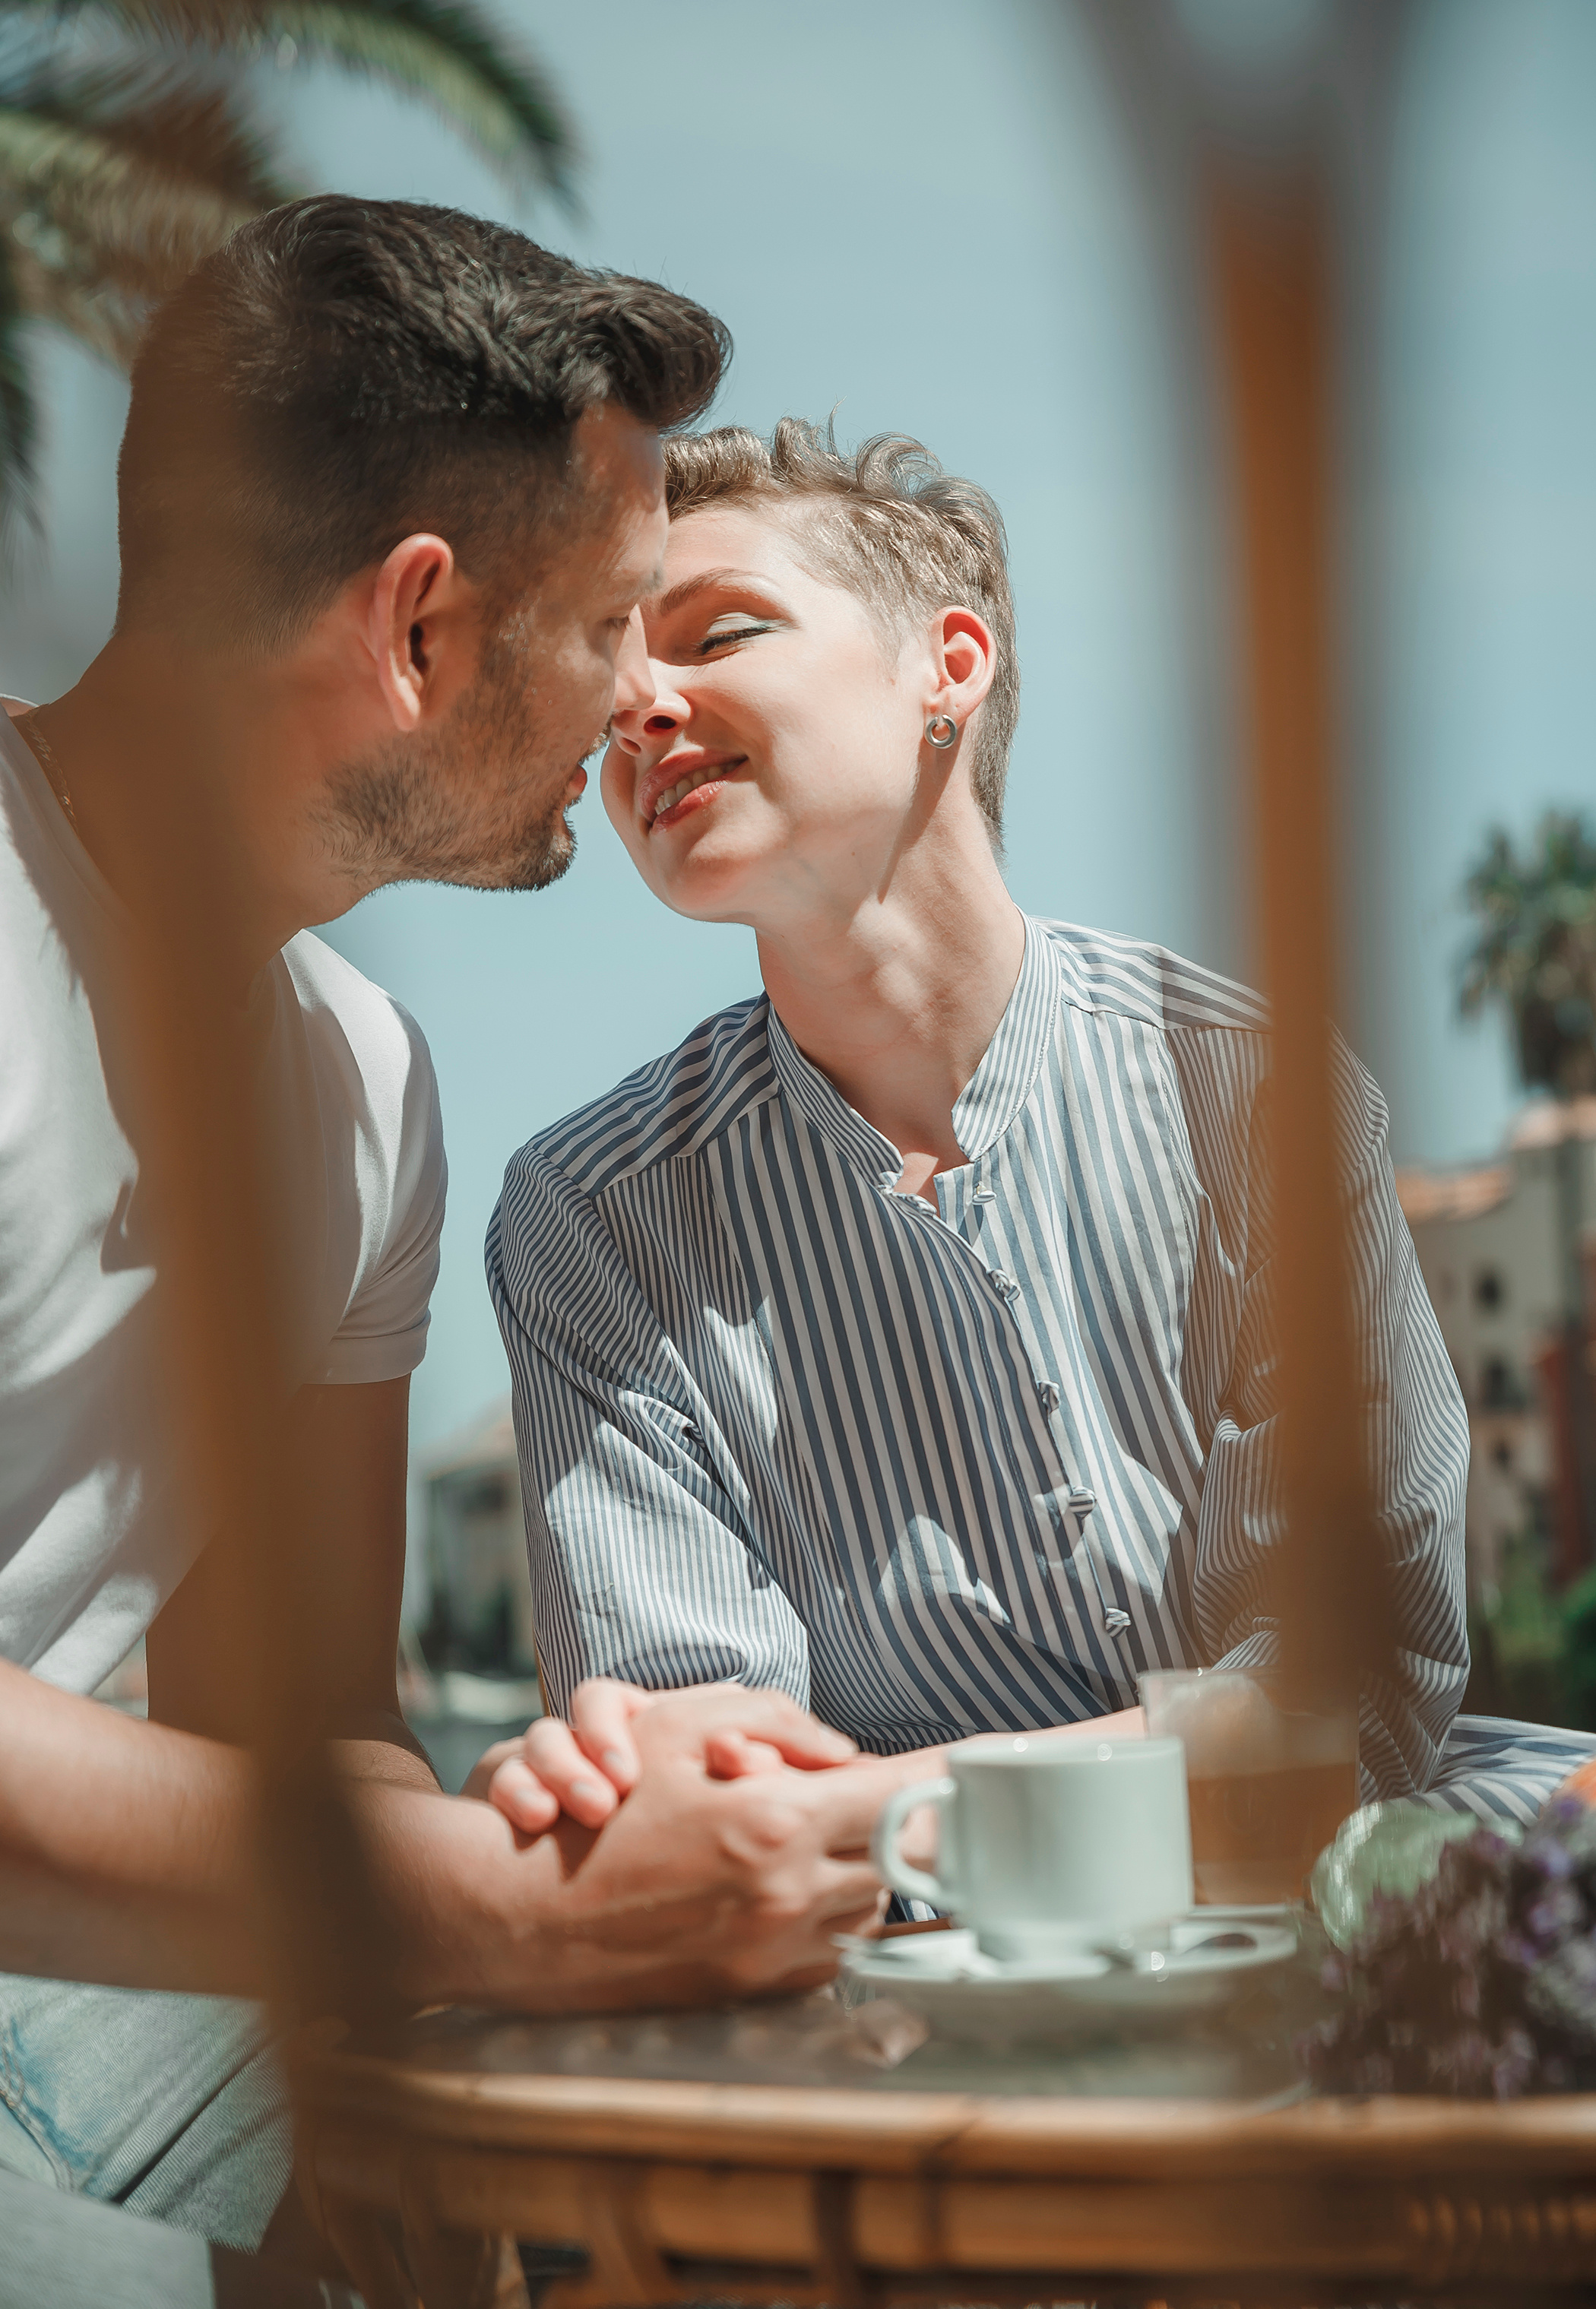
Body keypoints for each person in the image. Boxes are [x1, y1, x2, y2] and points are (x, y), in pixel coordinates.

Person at [0, 220, 934, 2299]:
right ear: (416, 630)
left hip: (86, 1982)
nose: (642, 697)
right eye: (611, 619)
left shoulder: (358, 1080)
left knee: (682, 2138)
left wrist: (564, 1820)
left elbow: (299, 1709)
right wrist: (476, 1902)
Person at [486, 417, 1596, 1842]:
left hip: (1328, 1911)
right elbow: (695, 1810)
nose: (638, 704)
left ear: (948, 666)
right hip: (881, 1986)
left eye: (719, 633)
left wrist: (886, 1799)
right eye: (616, 669)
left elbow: (1342, 1701)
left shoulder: (1253, 1095)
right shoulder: (591, 1213)